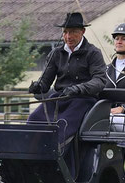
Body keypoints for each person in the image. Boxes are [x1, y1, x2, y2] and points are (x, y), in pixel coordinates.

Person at [27, 12, 107, 147]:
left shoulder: (93, 53)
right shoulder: (56, 54)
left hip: (83, 100)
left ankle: (57, 158)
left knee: (62, 126)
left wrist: (78, 88)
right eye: (65, 32)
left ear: (83, 31)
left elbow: (100, 80)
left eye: (73, 32)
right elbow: (45, 82)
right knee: (33, 120)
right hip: (59, 99)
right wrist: (38, 86)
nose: (68, 37)